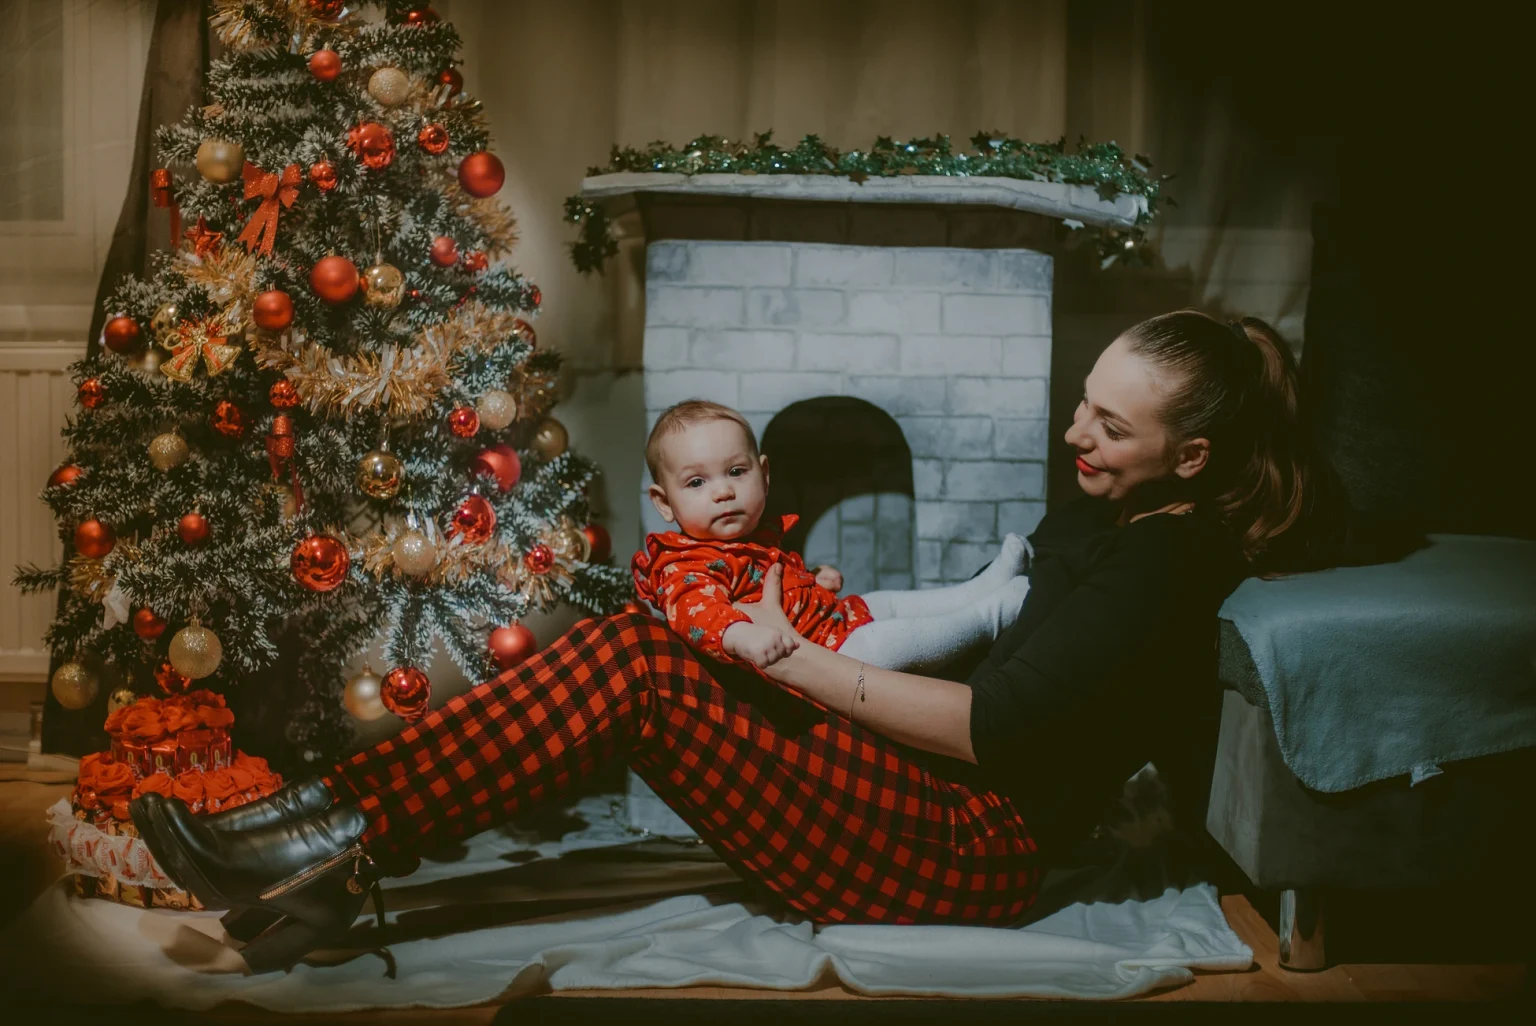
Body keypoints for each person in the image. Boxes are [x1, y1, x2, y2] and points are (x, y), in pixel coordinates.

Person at [128, 310, 1349, 974]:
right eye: (1083, 401)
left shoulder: (1166, 564)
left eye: (1110, 425)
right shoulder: (1121, 505)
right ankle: (320, 851)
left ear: (1192, 457)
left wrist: (794, 659)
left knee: (647, 661)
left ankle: (311, 837)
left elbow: (998, 728)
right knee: (646, 644)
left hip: (975, 847)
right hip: (919, 796)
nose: (1076, 434)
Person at [634, 399, 1032, 673]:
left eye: (737, 471)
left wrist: (811, 578)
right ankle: (989, 616)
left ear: (765, 475)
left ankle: (980, 587)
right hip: (833, 656)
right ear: (664, 502)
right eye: (697, 481)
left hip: (836, 619)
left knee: (887, 602)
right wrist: (742, 638)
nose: (723, 491)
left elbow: (768, 582)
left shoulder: (753, 540)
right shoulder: (685, 565)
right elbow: (696, 613)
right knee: (889, 641)